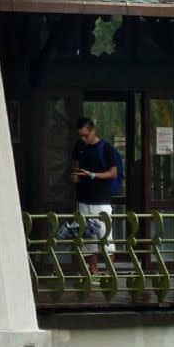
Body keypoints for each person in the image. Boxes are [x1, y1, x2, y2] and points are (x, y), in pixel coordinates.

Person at [71, 115, 117, 275]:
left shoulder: (106, 148)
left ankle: (110, 272)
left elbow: (113, 173)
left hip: (101, 200)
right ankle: (94, 271)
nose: (84, 138)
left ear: (93, 131)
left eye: (86, 135)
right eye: (81, 135)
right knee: (88, 238)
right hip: (83, 199)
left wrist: (92, 175)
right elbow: (76, 165)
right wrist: (76, 174)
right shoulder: (79, 146)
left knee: (105, 236)